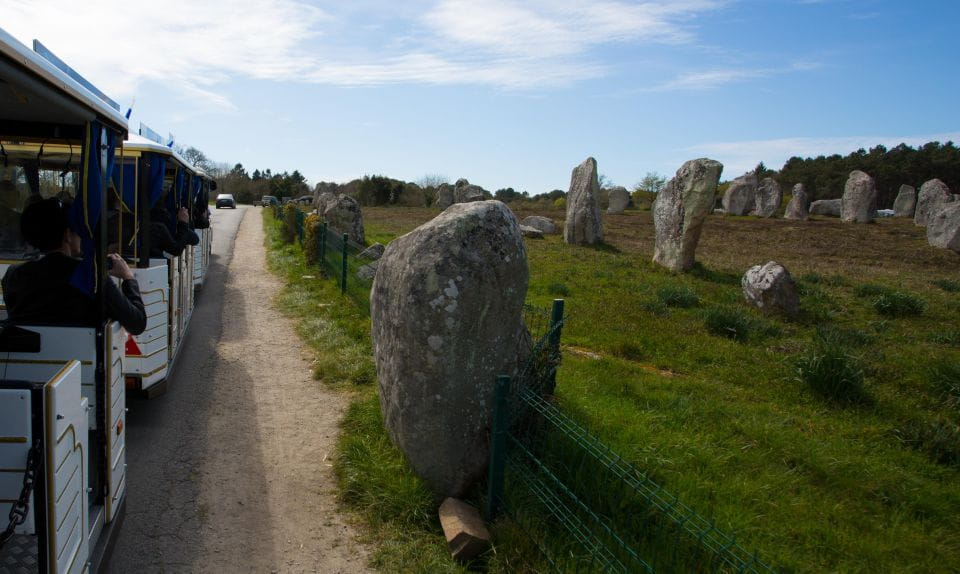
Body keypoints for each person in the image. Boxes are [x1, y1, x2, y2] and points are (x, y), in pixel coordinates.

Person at [2, 198, 147, 335]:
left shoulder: (13, 275)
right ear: (67, 235)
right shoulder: (88, 275)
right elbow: (137, 323)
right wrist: (128, 278)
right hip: (82, 359)